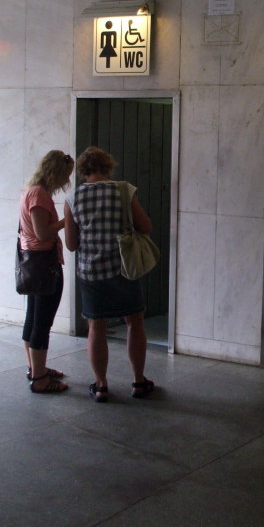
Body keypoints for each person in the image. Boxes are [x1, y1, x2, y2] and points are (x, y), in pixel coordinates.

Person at [64, 146, 155, 402]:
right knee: (134, 322)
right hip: (125, 269)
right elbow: (145, 226)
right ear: (107, 166)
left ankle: (101, 385)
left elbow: (71, 244)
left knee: (96, 328)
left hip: (92, 272)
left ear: (83, 170)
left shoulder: (72, 198)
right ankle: (138, 381)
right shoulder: (124, 189)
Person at [19, 150, 74, 393]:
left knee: (33, 317)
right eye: (65, 176)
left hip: (34, 263)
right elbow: (43, 232)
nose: (65, 182)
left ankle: (35, 368)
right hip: (44, 264)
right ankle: (40, 379)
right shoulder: (39, 195)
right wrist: (68, 219)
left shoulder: (31, 191)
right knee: (42, 321)